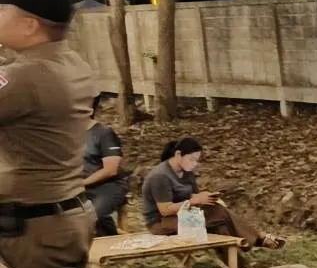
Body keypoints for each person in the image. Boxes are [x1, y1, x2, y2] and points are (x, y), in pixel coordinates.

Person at [0, 0, 102, 268]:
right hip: (64, 216)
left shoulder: (27, 76)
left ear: (29, 25)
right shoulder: (71, 63)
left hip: (32, 229)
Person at [141, 138, 284, 248]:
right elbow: (165, 210)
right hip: (161, 223)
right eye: (191, 159)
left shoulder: (186, 172)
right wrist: (195, 201)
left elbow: (190, 196)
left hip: (183, 216)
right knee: (218, 212)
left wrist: (206, 197)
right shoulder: (160, 176)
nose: (194, 163)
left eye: (196, 160)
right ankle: (258, 238)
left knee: (219, 225)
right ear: (178, 154)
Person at [82, 94, 128, 236]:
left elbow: (110, 169)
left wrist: (82, 183)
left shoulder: (104, 133)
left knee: (94, 215)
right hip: (78, 187)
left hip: (107, 186)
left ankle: (109, 240)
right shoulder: (66, 134)